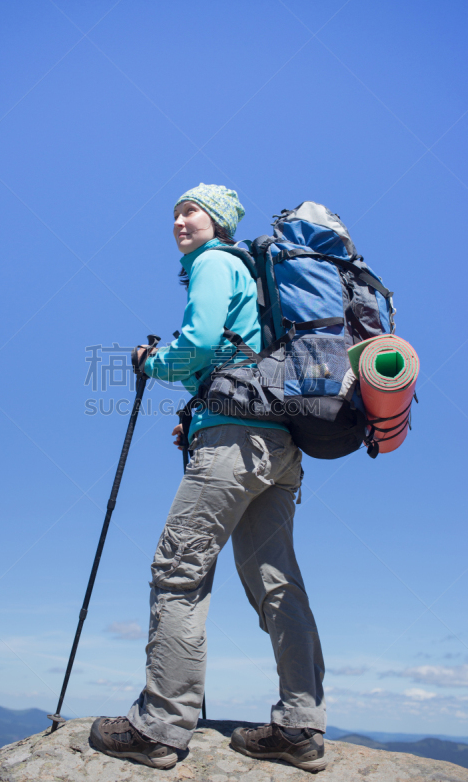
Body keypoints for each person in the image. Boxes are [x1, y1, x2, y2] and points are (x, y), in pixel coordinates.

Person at [90, 184, 327, 772]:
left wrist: (153, 362)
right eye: (174, 213)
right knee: (277, 583)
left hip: (232, 444)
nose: (179, 221)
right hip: (276, 448)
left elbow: (196, 346)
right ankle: (301, 727)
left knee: (179, 570)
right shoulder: (255, 279)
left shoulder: (216, 263)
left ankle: (159, 727)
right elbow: (234, 360)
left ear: (218, 221)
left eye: (191, 210)